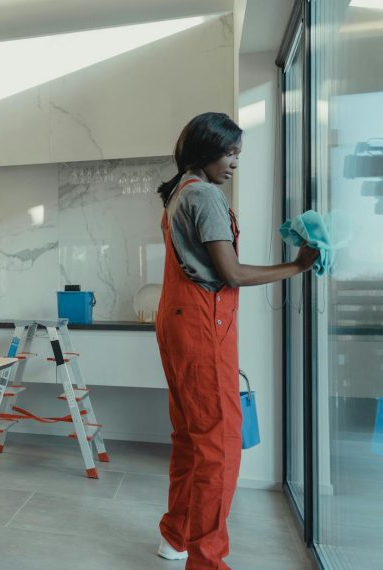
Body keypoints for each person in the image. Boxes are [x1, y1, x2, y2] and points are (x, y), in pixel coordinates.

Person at [154, 112, 318, 569]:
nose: (234, 163)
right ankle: (207, 560)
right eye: (230, 153)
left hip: (178, 320)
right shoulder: (204, 195)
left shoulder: (180, 192)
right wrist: (297, 266)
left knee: (191, 437)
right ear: (206, 151)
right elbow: (232, 274)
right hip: (203, 324)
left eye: (238, 155)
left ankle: (176, 536)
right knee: (219, 444)